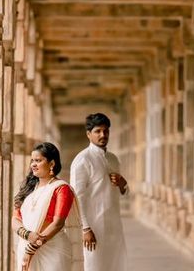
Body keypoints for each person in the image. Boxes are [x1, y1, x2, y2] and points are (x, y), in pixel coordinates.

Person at [12, 142, 83, 271]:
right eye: (32, 160)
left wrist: (32, 248)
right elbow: (15, 219)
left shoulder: (61, 188)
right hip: (26, 244)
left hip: (53, 250)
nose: (33, 164)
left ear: (51, 164)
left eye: (38, 160)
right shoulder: (29, 189)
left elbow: (57, 223)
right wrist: (28, 235)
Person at [70, 113, 128, 271]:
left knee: (116, 265)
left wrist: (123, 184)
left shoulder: (113, 159)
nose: (103, 135)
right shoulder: (82, 160)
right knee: (93, 266)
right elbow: (76, 197)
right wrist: (86, 228)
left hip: (114, 225)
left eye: (106, 131)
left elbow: (123, 191)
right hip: (94, 227)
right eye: (98, 131)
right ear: (88, 134)